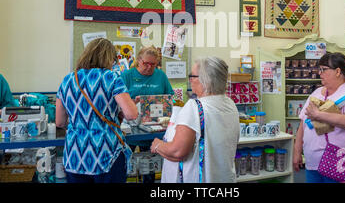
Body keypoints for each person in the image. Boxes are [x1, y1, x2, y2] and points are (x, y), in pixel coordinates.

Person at [56, 38, 138, 183]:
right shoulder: (111, 77)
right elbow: (131, 115)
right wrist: (127, 105)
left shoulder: (68, 79)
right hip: (106, 154)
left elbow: (60, 121)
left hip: (75, 156)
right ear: (110, 59)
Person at [151, 56, 240, 183]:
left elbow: (177, 152)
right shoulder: (230, 104)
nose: (190, 80)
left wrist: (157, 145)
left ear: (206, 80)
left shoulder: (195, 107)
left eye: (192, 76)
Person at [293, 52, 345, 183]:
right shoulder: (317, 92)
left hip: (340, 160)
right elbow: (303, 124)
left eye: (323, 69)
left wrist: (318, 115)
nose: (319, 73)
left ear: (338, 71)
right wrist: (297, 151)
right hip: (313, 162)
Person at [121, 45, 174, 183]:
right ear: (139, 60)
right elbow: (118, 102)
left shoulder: (160, 75)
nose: (149, 67)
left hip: (152, 129)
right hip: (130, 129)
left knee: (150, 169)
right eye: (146, 63)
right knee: (125, 167)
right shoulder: (127, 76)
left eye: (153, 64)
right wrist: (132, 101)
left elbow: (170, 97)